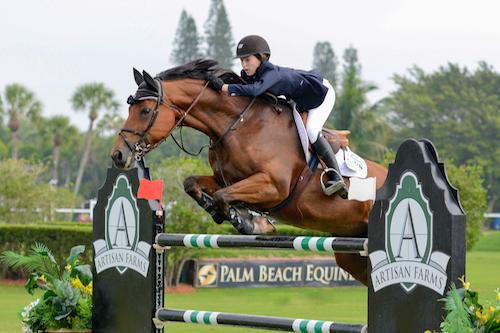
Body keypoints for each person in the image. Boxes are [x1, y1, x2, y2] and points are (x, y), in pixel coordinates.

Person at [207, 35, 347, 198]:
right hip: (299, 99)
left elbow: (254, 91)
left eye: (247, 60)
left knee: (312, 130)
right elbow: (243, 90)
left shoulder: (271, 74)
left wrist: (223, 87)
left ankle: (336, 176)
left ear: (261, 57)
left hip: (321, 95)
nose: (244, 65)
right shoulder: (252, 74)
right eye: (241, 61)